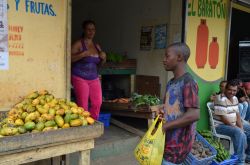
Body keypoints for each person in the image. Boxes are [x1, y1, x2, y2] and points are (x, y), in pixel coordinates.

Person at [160, 42, 200, 165]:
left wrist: (165, 126)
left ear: (179, 57)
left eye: (167, 56)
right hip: (167, 143)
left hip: (177, 148)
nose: (164, 60)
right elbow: (171, 108)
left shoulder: (188, 82)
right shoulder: (171, 82)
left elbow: (194, 114)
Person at [71, 20, 106, 120]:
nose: (91, 32)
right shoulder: (78, 44)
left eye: (93, 30)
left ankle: (93, 122)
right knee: (83, 105)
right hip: (80, 77)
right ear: (84, 30)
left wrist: (104, 58)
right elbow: (69, 58)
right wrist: (82, 54)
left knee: (97, 102)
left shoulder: (97, 46)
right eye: (89, 29)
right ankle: (83, 126)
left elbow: (99, 65)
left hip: (94, 78)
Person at [214, 80, 250, 164]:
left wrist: (240, 126)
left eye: (234, 90)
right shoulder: (220, 99)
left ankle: (248, 155)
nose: (232, 92)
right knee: (239, 133)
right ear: (226, 89)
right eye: (230, 89)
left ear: (237, 90)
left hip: (232, 124)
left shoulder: (235, 98)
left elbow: (237, 115)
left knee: (246, 129)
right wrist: (237, 128)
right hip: (220, 126)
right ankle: (240, 161)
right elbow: (223, 119)